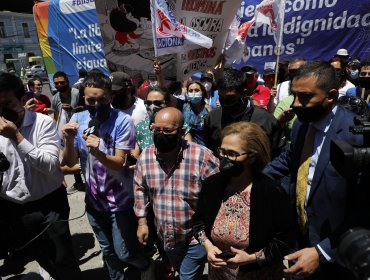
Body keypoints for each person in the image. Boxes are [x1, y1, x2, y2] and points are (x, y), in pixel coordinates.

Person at [264, 61, 370, 279]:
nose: (294, 104)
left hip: (338, 253)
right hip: (301, 241)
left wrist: (323, 251)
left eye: (304, 97)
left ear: (330, 96)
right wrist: (253, 181)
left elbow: (366, 209)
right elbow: (289, 158)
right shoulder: (302, 124)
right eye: (294, 95)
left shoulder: (358, 135)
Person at [62, 72, 151, 280]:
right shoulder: (78, 119)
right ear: (83, 98)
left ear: (110, 97)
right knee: (108, 251)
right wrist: (68, 140)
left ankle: (146, 265)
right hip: (93, 201)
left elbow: (120, 163)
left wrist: (99, 152)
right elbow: (69, 161)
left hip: (118, 201)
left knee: (123, 252)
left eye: (101, 99)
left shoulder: (123, 121)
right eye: (90, 100)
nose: (96, 104)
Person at [0, 72, 82, 279]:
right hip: (16, 209)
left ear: (22, 100)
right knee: (41, 258)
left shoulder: (43, 123)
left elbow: (49, 164)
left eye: (8, 103)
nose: (3, 111)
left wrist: (17, 137)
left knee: (63, 258)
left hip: (49, 205)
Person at [193, 121, 295, 279]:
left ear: (252, 157)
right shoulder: (212, 185)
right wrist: (208, 247)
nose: (225, 158)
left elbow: (285, 239)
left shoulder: (271, 192)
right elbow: (198, 221)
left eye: (232, 154)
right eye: (222, 152)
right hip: (219, 274)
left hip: (259, 274)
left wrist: (252, 258)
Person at [134, 107, 219, 280]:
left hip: (195, 238)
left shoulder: (202, 156)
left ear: (181, 132)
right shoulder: (146, 157)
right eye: (156, 129)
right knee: (182, 270)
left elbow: (219, 191)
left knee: (186, 276)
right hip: (166, 236)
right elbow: (140, 189)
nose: (160, 134)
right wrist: (142, 222)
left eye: (167, 130)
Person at [204, 68, 282, 158]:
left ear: (244, 93)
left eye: (230, 98)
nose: (225, 102)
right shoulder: (212, 118)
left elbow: (277, 154)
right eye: (221, 96)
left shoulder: (266, 120)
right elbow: (209, 152)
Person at [183, 81, 211, 146]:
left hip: (204, 147)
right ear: (187, 93)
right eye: (190, 91)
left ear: (202, 92)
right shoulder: (183, 107)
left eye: (196, 90)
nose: (194, 93)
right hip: (187, 146)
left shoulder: (208, 110)